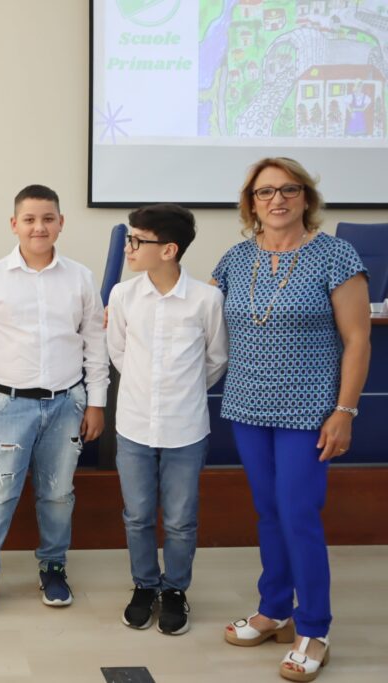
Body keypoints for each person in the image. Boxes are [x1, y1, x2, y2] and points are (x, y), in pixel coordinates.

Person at [214, 158, 370, 682]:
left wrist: (344, 410)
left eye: (288, 190)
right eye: (264, 192)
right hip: (246, 406)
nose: (276, 200)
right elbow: (198, 312)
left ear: (306, 197)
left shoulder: (335, 255)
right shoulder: (236, 259)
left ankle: (315, 628)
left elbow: (357, 340)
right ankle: (275, 608)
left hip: (311, 411)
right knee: (266, 510)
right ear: (250, 202)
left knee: (297, 511)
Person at [0, 184, 108, 627]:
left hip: (66, 405)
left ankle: (53, 568)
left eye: (48, 218)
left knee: (58, 496)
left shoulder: (80, 276)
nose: (39, 227)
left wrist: (95, 403)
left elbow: (94, 344)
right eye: (29, 219)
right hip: (7, 405)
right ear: (14, 224)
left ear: (61, 222)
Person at [106, 204, 228, 635]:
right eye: (129, 237)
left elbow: (215, 361)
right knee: (137, 515)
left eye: (138, 240)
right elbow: (118, 353)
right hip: (134, 424)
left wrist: (181, 393)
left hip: (185, 428)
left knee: (180, 519)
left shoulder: (206, 300)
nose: (129, 247)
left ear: (169, 249)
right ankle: (145, 584)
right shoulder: (123, 296)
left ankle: (175, 589)